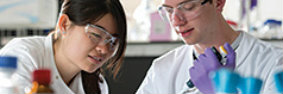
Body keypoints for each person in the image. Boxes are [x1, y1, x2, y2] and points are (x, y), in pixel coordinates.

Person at [136, 0, 283, 93]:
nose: (176, 21)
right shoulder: (163, 68)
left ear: (218, 3)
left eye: (187, 7)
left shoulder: (274, 63)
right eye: (168, 10)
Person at [0, 0, 127, 94]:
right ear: (64, 24)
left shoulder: (97, 85)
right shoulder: (23, 55)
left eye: (113, 42)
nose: (104, 49)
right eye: (96, 35)